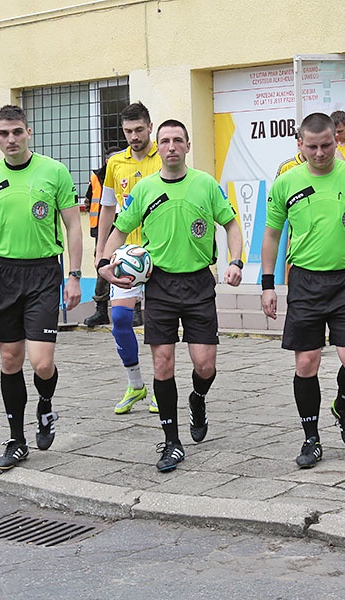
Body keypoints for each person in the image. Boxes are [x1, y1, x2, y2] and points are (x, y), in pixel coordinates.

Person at [98, 119, 244, 472]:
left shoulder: (206, 185)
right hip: (159, 285)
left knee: (205, 366)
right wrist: (103, 262)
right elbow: (119, 230)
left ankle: (198, 399)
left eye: (178, 140)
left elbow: (231, 225)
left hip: (198, 284)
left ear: (187, 146)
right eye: (165, 141)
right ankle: (171, 442)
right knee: (162, 364)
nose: (171, 146)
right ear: (158, 146)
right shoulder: (145, 189)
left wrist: (236, 260)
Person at [261, 113, 345, 469]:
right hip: (304, 281)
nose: (320, 153)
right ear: (300, 145)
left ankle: (342, 407)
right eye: (313, 147)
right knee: (307, 362)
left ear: (337, 141)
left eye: (327, 145)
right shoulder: (286, 183)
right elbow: (272, 235)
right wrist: (268, 284)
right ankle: (311, 438)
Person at [0, 104, 83, 470]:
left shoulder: (54, 172)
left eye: (17, 131)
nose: (11, 139)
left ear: (28, 132)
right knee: (9, 359)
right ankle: (17, 440)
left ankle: (46, 405)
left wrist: (74, 275)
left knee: (42, 362)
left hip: (43, 274)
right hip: (3, 274)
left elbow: (73, 227)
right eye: (4, 134)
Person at [96, 102, 162, 414]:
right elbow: (108, 208)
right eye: (128, 131)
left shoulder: (164, 156)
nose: (134, 136)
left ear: (150, 127)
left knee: (159, 323)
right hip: (125, 258)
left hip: (160, 255)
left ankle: (162, 386)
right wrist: (101, 253)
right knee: (120, 319)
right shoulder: (115, 163)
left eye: (139, 130)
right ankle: (136, 384)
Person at [83, 147, 121, 327]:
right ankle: (101, 309)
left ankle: (136, 310)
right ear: (106, 161)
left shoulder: (126, 171)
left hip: (125, 225)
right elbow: (89, 200)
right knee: (102, 267)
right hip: (103, 228)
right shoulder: (97, 177)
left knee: (128, 265)